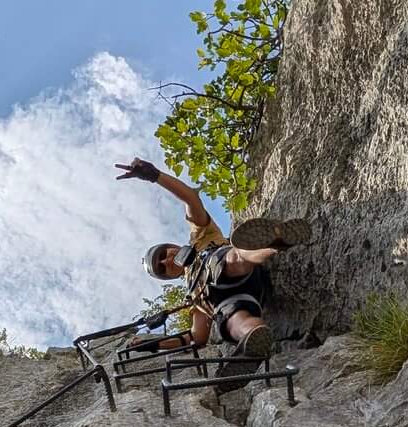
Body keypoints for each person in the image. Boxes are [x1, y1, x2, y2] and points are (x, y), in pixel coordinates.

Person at [114, 157, 308, 368]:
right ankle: (253, 335)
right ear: (169, 276)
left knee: (232, 259)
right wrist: (154, 344)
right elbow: (197, 338)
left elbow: (191, 199)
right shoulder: (193, 297)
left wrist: (154, 175)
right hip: (235, 299)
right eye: (162, 268)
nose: (166, 260)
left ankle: (273, 243)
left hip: (230, 267)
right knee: (232, 320)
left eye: (163, 253)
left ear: (171, 245)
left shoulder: (200, 237)